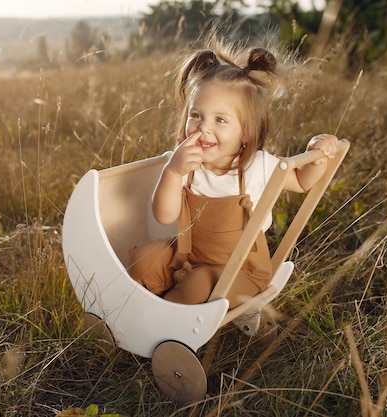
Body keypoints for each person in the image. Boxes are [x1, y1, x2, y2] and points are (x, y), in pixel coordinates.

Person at [128, 42, 339, 309]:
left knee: (197, 285)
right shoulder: (184, 162)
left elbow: (301, 181)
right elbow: (164, 215)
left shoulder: (257, 165)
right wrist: (173, 171)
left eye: (221, 120)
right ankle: (168, 295)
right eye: (196, 115)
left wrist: (316, 152)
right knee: (144, 259)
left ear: (246, 133)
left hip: (242, 268)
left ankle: (167, 312)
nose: (203, 128)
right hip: (189, 255)